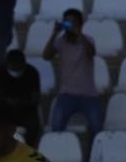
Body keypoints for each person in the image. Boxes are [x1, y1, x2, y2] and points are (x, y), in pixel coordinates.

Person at [43, 8, 102, 139]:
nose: (69, 25)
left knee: (97, 127)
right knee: (56, 126)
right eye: (67, 22)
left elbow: (91, 53)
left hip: (88, 94)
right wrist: (54, 33)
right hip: (66, 94)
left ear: (80, 24)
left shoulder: (88, 40)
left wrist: (79, 34)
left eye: (72, 22)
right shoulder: (60, 41)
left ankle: (94, 156)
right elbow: (46, 56)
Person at [0, 50, 43, 146]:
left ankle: (29, 149)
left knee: (33, 125)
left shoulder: (32, 72)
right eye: (13, 68)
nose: (16, 70)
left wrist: (21, 103)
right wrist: (7, 102)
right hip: (4, 109)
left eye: (19, 68)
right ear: (7, 64)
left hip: (26, 110)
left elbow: (35, 98)